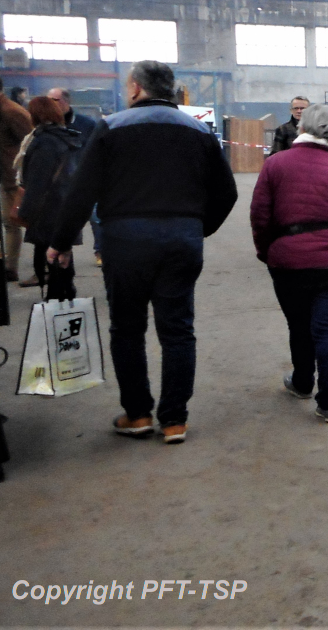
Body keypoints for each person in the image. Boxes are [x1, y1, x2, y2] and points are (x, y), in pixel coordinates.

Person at [48, 60, 238, 445]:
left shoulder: (112, 127)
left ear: (135, 88)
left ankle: (137, 415)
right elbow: (228, 192)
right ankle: (174, 421)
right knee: (178, 330)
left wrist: (61, 240)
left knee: (127, 328)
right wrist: (197, 228)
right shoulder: (199, 130)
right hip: (182, 239)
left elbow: (81, 191)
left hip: (125, 239)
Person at [250, 104, 328, 423]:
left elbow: (260, 216)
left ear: (301, 127)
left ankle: (303, 382)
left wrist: (267, 252)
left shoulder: (274, 165)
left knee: (299, 326)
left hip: (287, 263)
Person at [17, 97, 81, 300]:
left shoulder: (44, 142)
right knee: (61, 250)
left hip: (47, 206)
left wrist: (25, 211)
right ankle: (66, 290)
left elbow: (38, 180)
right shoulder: (65, 137)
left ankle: (56, 298)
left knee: (46, 255)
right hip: (64, 202)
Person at [0, 76, 33, 282]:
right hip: (8, 178)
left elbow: (32, 143)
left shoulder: (12, 112)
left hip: (19, 179)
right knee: (10, 222)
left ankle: (52, 263)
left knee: (32, 223)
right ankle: (10, 268)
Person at [48, 86, 101, 265]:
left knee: (95, 216)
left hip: (84, 179)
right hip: (57, 183)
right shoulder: (47, 125)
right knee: (58, 219)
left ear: (66, 101)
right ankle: (60, 252)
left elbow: (96, 150)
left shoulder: (86, 124)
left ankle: (100, 252)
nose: (51, 104)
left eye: (54, 100)